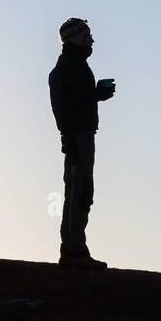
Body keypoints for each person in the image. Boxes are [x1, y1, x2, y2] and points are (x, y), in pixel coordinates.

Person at [48, 17, 116, 269]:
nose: (91, 40)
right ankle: (74, 251)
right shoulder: (71, 67)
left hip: (78, 135)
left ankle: (74, 249)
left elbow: (75, 100)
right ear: (76, 38)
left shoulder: (71, 66)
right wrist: (70, 139)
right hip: (79, 136)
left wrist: (95, 95)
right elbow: (68, 105)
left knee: (77, 190)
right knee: (80, 190)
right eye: (87, 35)